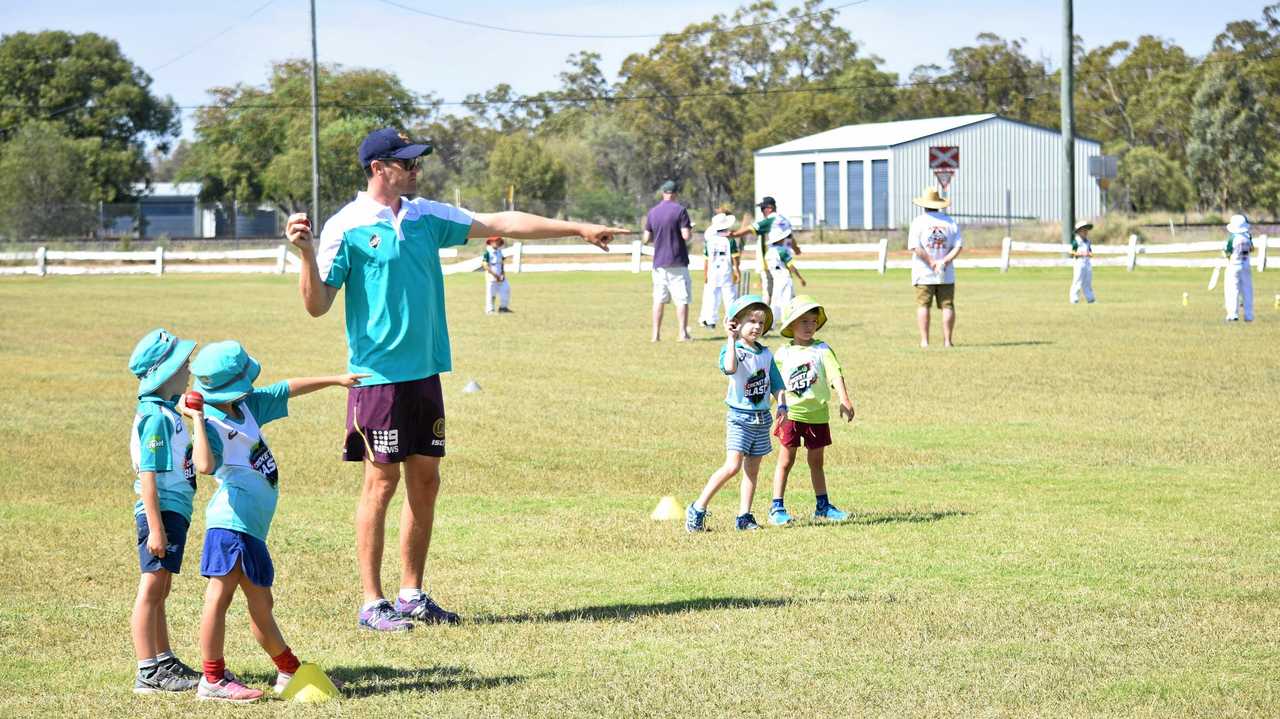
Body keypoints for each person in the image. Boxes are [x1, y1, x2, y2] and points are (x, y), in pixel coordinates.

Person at [286, 127, 629, 632]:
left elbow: (500, 221)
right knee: (380, 484)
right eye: (406, 163)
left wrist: (577, 228)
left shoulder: (425, 214)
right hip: (376, 378)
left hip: (426, 374)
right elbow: (317, 306)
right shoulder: (347, 226)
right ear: (379, 168)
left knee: (426, 481)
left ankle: (411, 594)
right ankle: (371, 602)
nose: (417, 170)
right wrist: (306, 256)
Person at [187, 340, 364, 702]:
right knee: (218, 600)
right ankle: (212, 680)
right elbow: (205, 465)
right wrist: (200, 420)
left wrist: (336, 380)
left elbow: (287, 388)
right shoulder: (215, 425)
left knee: (261, 603)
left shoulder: (247, 406)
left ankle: (288, 670)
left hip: (251, 530)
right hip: (230, 524)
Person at [127, 328, 203, 694]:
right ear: (164, 373)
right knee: (151, 590)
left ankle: (164, 659)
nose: (187, 370)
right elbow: (148, 478)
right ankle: (148, 670)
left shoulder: (165, 412)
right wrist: (156, 527)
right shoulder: (155, 418)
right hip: (162, 512)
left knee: (162, 589)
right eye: (182, 366)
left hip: (174, 511)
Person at [686, 295, 786, 532]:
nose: (757, 326)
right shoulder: (734, 350)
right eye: (751, 320)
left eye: (761, 323)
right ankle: (698, 508)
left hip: (762, 418)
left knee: (752, 470)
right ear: (736, 323)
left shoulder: (766, 354)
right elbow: (730, 368)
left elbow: (778, 384)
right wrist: (731, 339)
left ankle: (744, 516)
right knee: (732, 467)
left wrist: (782, 405)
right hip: (740, 417)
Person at [768, 296, 856, 526]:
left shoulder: (822, 349)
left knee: (816, 462)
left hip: (817, 415)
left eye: (813, 321)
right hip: (791, 415)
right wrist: (770, 409)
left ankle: (823, 506)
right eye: (803, 321)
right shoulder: (782, 354)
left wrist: (844, 399)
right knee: (786, 461)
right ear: (791, 325)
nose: (809, 326)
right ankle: (777, 507)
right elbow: (774, 383)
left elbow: (835, 373)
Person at [907, 187, 963, 348]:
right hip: (946, 272)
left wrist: (931, 261)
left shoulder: (918, 222)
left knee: (923, 305)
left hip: (923, 272)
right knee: (947, 305)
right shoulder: (950, 222)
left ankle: (925, 341)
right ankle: (948, 341)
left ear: (924, 204)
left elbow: (915, 247)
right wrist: (944, 261)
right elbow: (958, 246)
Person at [643, 180, 693, 341]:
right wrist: (690, 229)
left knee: (659, 299)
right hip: (677, 261)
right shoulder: (680, 211)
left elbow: (646, 238)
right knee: (682, 299)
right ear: (675, 193)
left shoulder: (652, 212)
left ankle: (655, 335)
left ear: (663, 193)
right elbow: (686, 235)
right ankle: (682, 333)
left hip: (659, 263)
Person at [728, 196, 794, 304]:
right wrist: (796, 249)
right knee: (785, 288)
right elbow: (791, 238)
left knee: (768, 291)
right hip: (785, 259)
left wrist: (734, 234)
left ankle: (767, 316)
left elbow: (750, 229)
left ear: (769, 208)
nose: (762, 211)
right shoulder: (785, 221)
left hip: (770, 260)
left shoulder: (770, 220)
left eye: (763, 209)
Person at [698, 209, 740, 328]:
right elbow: (735, 258)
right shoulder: (730, 240)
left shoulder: (710, 241)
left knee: (712, 296)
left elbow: (706, 260)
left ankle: (710, 320)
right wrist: (737, 271)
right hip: (726, 271)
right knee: (730, 296)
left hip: (712, 272)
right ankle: (731, 319)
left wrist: (705, 274)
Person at [765, 231, 806, 326]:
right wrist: (800, 278)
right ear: (780, 239)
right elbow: (791, 265)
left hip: (776, 278)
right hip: (785, 277)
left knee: (775, 301)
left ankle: (771, 323)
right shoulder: (782, 251)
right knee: (787, 300)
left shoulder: (769, 252)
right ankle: (786, 321)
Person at [1223, 214, 1255, 322]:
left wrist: (1225, 255)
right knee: (1247, 290)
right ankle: (1249, 315)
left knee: (1232, 290)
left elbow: (1227, 252)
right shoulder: (1248, 237)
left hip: (1234, 266)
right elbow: (1252, 249)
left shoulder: (1232, 238)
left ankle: (1232, 314)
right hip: (1246, 265)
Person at [483, 235, 512, 314]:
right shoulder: (488, 253)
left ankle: (503, 307)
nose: (496, 243)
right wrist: (495, 275)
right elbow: (485, 265)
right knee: (491, 293)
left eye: (497, 241)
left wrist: (502, 274)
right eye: (494, 241)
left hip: (500, 276)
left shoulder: (499, 252)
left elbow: (501, 263)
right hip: (491, 276)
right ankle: (489, 309)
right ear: (490, 242)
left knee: (506, 289)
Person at [1069, 221, 1096, 304]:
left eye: (1086, 230)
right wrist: (1080, 254)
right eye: (1083, 230)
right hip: (1079, 263)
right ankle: (1074, 299)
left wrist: (1089, 254)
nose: (1085, 232)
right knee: (1077, 281)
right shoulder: (1076, 242)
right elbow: (1072, 252)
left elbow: (1091, 252)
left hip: (1087, 263)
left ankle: (1090, 299)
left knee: (1087, 281)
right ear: (1079, 231)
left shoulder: (1088, 242)